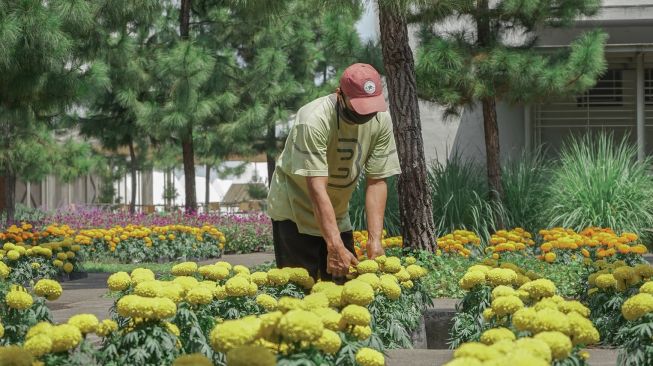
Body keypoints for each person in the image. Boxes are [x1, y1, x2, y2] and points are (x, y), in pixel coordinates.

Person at [267, 63, 401, 281]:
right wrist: (334, 244)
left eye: (371, 105)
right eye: (359, 106)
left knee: (345, 290)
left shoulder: (381, 121)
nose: (366, 113)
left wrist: (374, 239)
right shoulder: (313, 120)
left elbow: (376, 181)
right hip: (295, 210)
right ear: (340, 95)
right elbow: (316, 188)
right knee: (299, 294)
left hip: (337, 213)